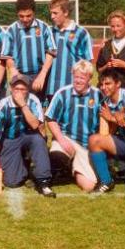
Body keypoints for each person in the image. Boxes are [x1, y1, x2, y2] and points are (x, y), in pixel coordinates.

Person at [0, 73, 56, 198]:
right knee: (12, 182)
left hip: (29, 136)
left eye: (23, 89)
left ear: (28, 90)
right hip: (10, 140)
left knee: (38, 140)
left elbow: (35, 125)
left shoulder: (33, 101)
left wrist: (23, 105)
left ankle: (43, 180)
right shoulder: (3, 105)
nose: (19, 92)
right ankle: (25, 166)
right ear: (11, 89)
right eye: (16, 89)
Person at [45, 60, 103, 192]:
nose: (78, 81)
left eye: (82, 78)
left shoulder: (98, 95)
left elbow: (105, 121)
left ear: (89, 78)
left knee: (89, 186)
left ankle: (72, 167)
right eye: (76, 77)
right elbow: (50, 118)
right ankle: (61, 167)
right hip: (66, 138)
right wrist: (61, 140)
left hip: (86, 145)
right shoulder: (63, 93)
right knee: (57, 155)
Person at [2, 0, 56, 101]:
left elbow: (51, 52)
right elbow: (7, 56)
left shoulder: (43, 27)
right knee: (20, 106)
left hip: (39, 75)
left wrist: (42, 75)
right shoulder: (11, 30)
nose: (25, 19)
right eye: (21, 16)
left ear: (34, 12)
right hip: (20, 75)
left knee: (39, 107)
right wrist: (13, 71)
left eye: (28, 15)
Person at [46, 0, 93, 100]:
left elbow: (88, 63)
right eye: (51, 13)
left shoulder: (81, 33)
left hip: (73, 88)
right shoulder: (49, 32)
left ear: (66, 12)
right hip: (50, 89)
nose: (52, 16)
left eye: (55, 13)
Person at [96, 10, 125, 91]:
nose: (115, 29)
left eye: (118, 26)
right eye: (112, 26)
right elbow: (99, 70)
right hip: (107, 92)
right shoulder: (106, 45)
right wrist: (106, 66)